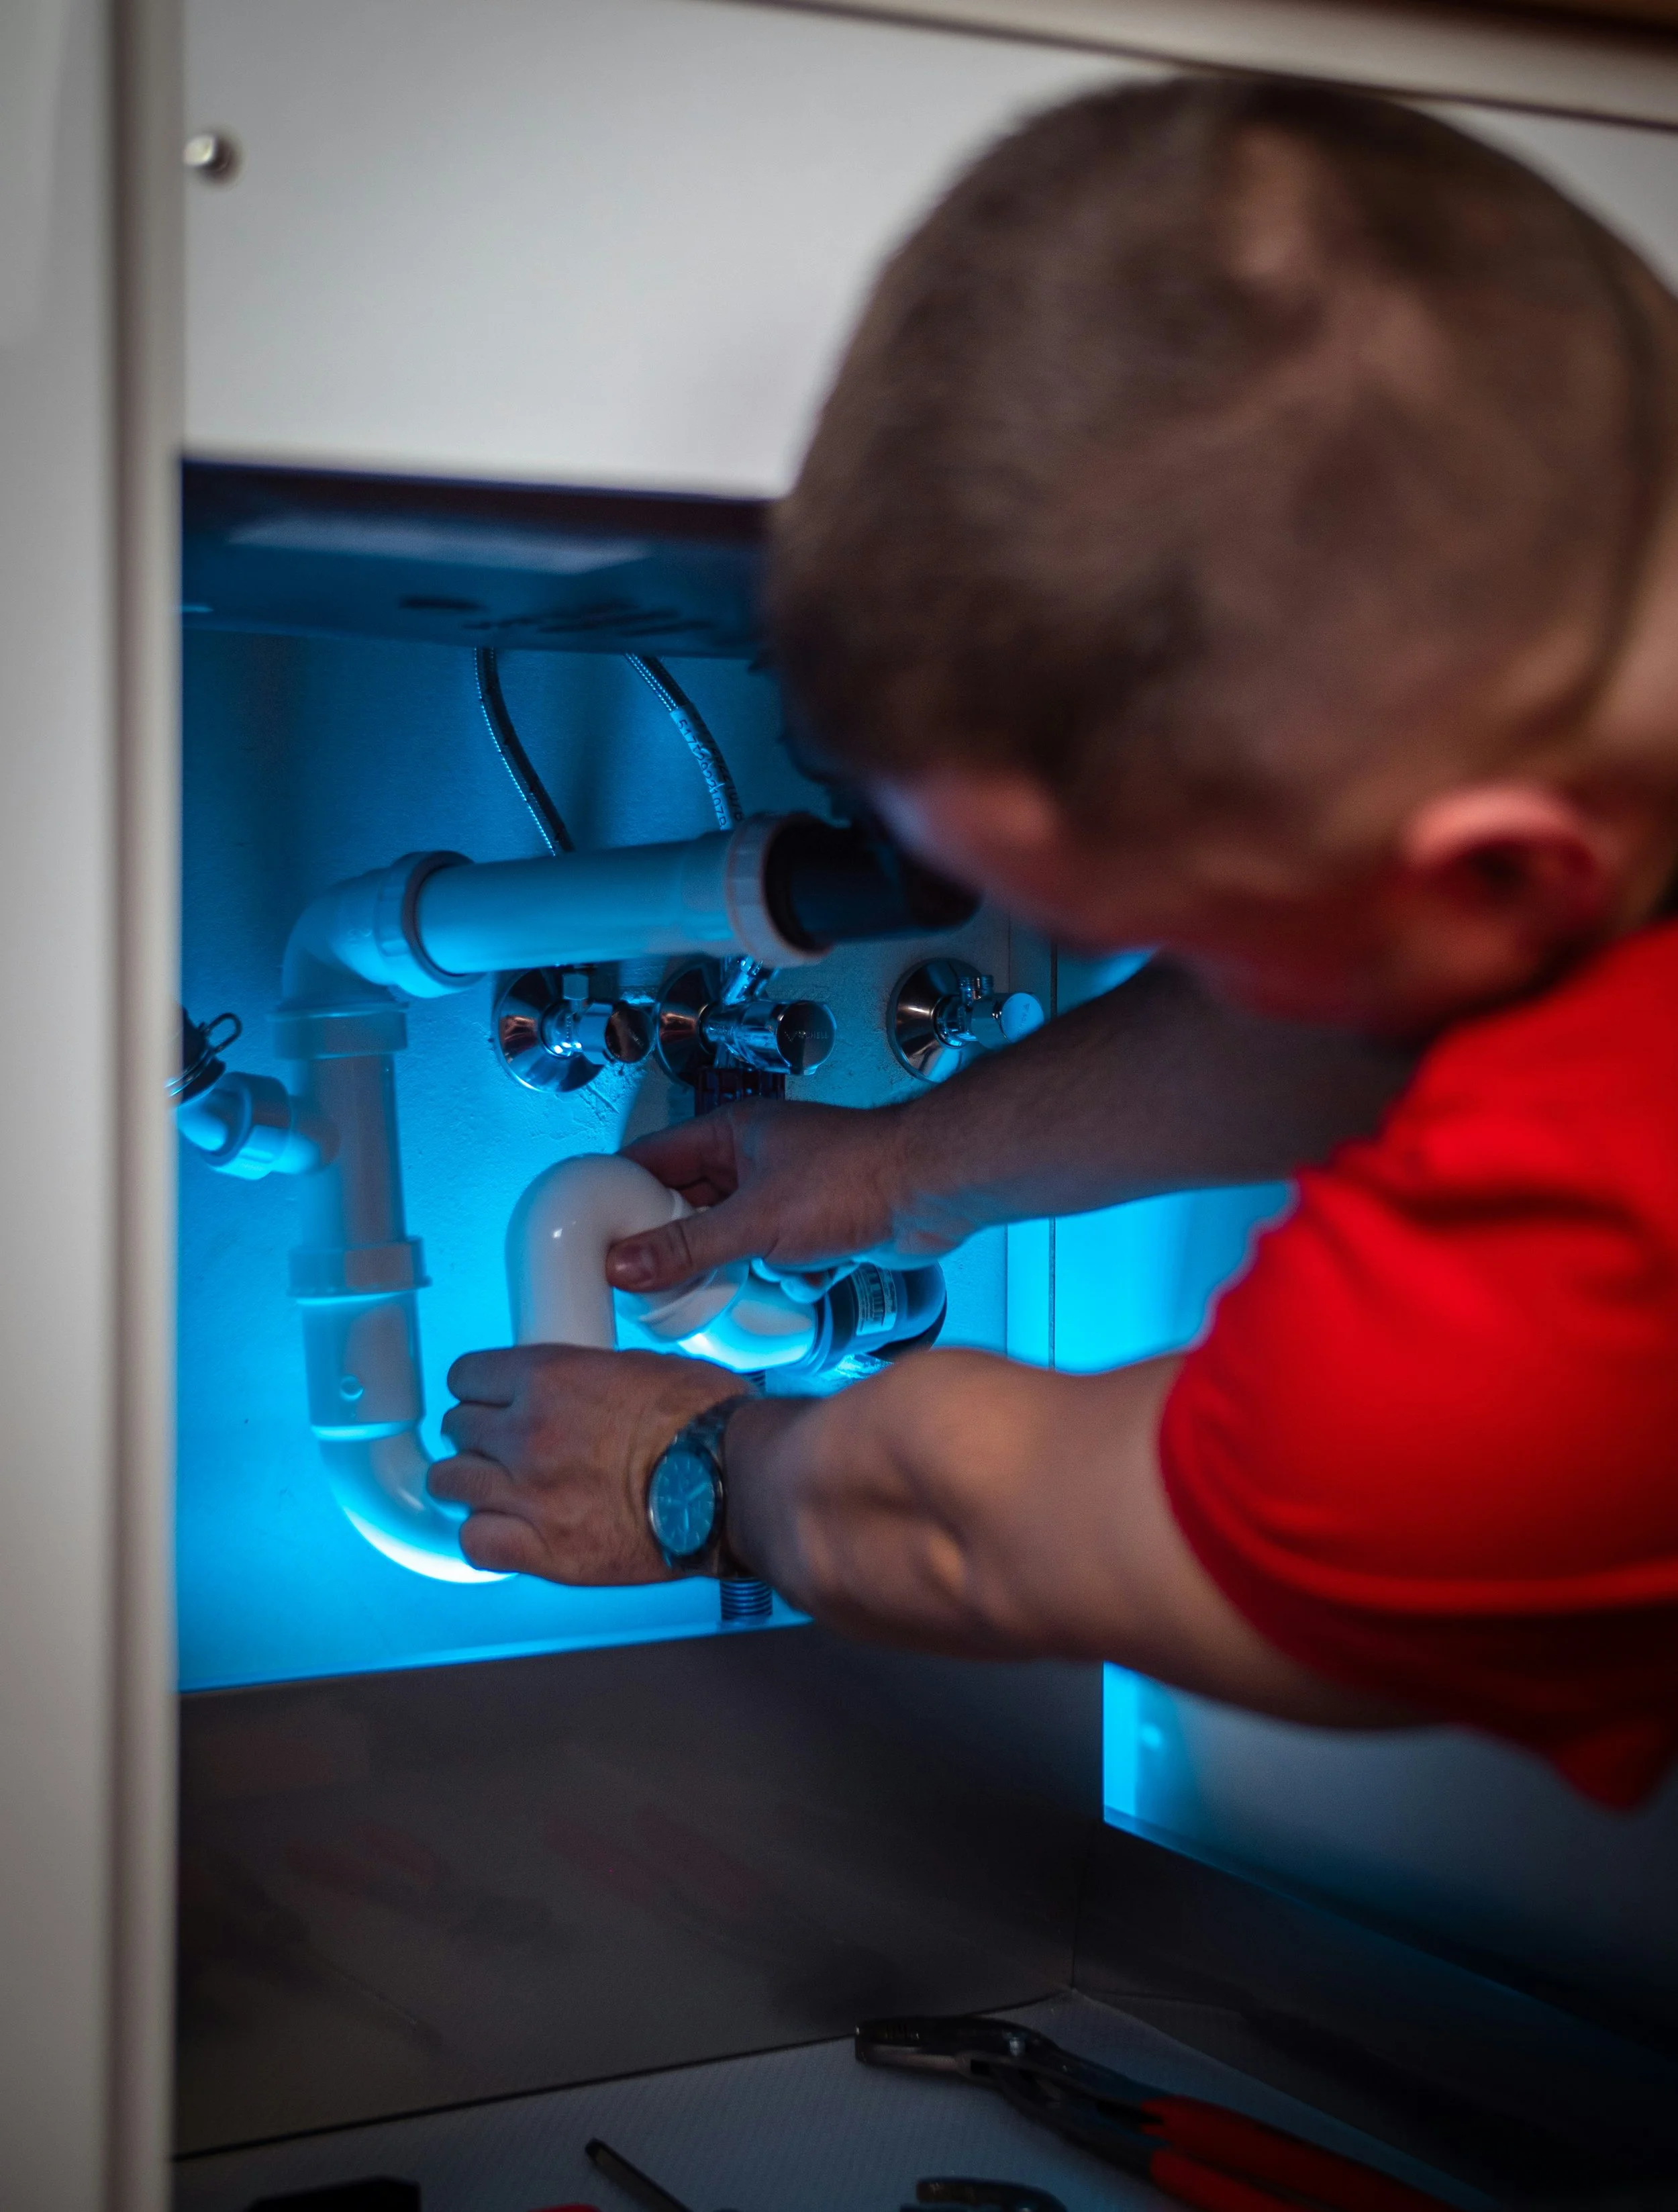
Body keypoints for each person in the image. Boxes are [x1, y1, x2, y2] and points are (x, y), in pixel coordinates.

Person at [432, 77, 1678, 1807]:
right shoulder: (1592, 738)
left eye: (1200, 931)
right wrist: (898, 1167)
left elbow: (992, 1535)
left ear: (1498, 876)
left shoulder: (1569, 1287)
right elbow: (1382, 996)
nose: (1196, 979)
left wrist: (691, 1470)